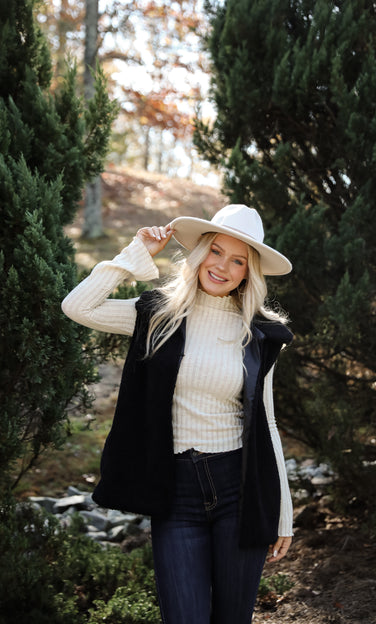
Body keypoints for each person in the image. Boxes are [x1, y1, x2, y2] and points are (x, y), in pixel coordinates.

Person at [62, 204, 294, 624]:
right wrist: (135, 255)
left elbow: (268, 423)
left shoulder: (260, 333)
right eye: (216, 251)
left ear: (248, 272)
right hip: (175, 491)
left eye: (237, 260)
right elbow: (79, 306)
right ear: (200, 252)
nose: (222, 266)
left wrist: (283, 513)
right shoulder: (157, 314)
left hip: (239, 488)